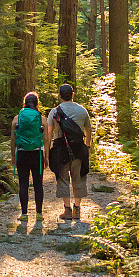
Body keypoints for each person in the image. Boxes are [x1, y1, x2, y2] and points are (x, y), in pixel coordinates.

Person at [47, 82, 92, 220]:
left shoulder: (54, 112)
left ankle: (67, 210)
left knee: (63, 179)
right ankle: (77, 209)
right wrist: (87, 147)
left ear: (59, 96)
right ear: (72, 95)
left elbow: (49, 134)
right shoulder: (82, 111)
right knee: (78, 177)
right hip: (78, 148)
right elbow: (88, 131)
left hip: (60, 149)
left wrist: (48, 152)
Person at [9, 91, 46, 217]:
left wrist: (13, 156)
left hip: (22, 154)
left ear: (24, 103)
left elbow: (13, 139)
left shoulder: (17, 118)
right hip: (37, 154)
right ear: (37, 104)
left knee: (23, 183)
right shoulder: (42, 119)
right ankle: (39, 213)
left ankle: (24, 214)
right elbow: (46, 140)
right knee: (38, 183)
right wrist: (46, 156)